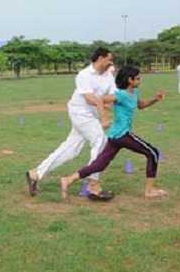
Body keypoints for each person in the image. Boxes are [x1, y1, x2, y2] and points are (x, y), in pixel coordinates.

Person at [60, 66, 167, 200]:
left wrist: (155, 99)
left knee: (99, 164)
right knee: (152, 153)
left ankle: (68, 180)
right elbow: (99, 100)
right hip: (122, 134)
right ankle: (150, 190)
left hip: (115, 136)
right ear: (130, 80)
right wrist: (103, 119)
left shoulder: (135, 92)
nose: (140, 80)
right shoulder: (120, 94)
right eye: (138, 78)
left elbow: (140, 105)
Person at [25, 47, 117, 200]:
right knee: (101, 141)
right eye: (109, 59)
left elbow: (112, 98)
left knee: (71, 149)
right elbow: (90, 98)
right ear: (100, 58)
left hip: (91, 114)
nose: (111, 63)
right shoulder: (84, 75)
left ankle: (35, 174)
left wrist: (124, 107)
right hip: (80, 112)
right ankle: (93, 184)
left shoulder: (108, 75)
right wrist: (103, 117)